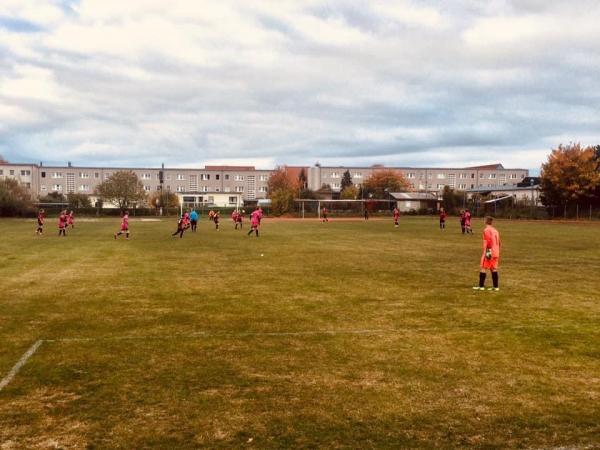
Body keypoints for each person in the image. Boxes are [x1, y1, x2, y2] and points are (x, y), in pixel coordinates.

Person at [473, 216, 501, 291]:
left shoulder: (486, 230)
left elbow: (489, 241)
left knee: (483, 267)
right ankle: (496, 287)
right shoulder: (496, 230)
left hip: (490, 250)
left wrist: (488, 252)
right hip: (496, 251)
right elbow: (499, 242)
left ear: (485, 221)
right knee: (493, 268)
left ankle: (481, 286)